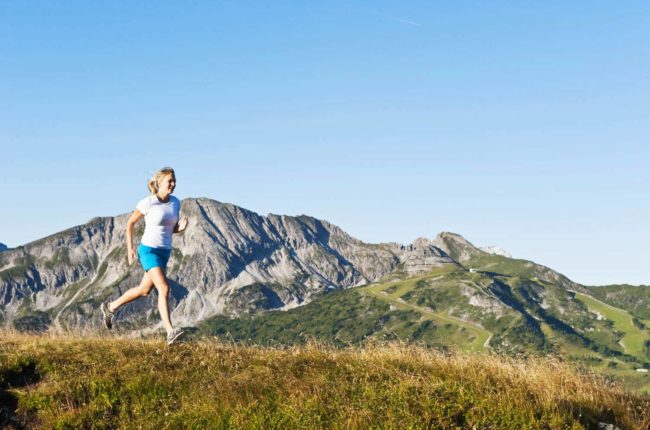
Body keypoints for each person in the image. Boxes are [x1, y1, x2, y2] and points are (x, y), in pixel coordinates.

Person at [100, 167, 189, 345]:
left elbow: (171, 229)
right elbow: (130, 223)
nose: (173, 184)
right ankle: (170, 332)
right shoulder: (147, 203)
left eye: (174, 180)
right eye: (169, 181)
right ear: (159, 183)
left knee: (144, 290)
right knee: (163, 288)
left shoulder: (175, 203)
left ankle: (110, 307)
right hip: (148, 250)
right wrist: (130, 248)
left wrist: (181, 228)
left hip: (164, 251)